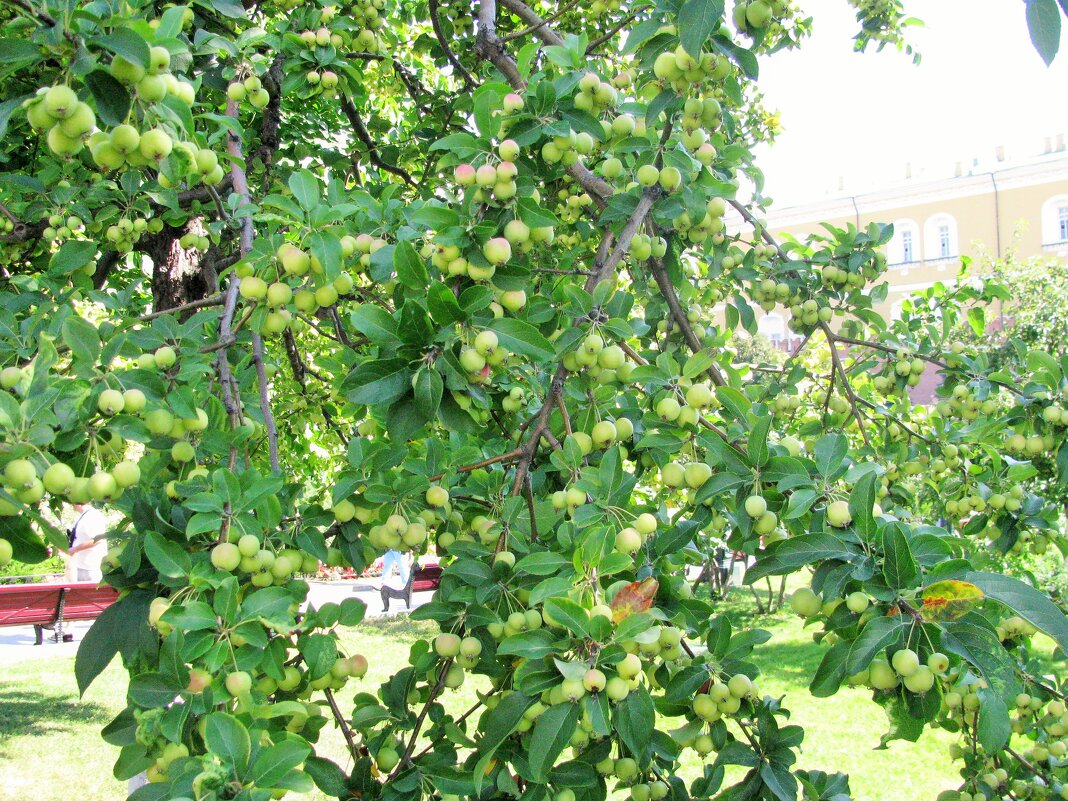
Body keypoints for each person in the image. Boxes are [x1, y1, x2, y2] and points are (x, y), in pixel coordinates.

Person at [67, 502, 107, 582]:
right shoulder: (82, 516)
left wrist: (74, 549)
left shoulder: (92, 515)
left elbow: (98, 539)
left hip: (91, 567)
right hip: (80, 565)